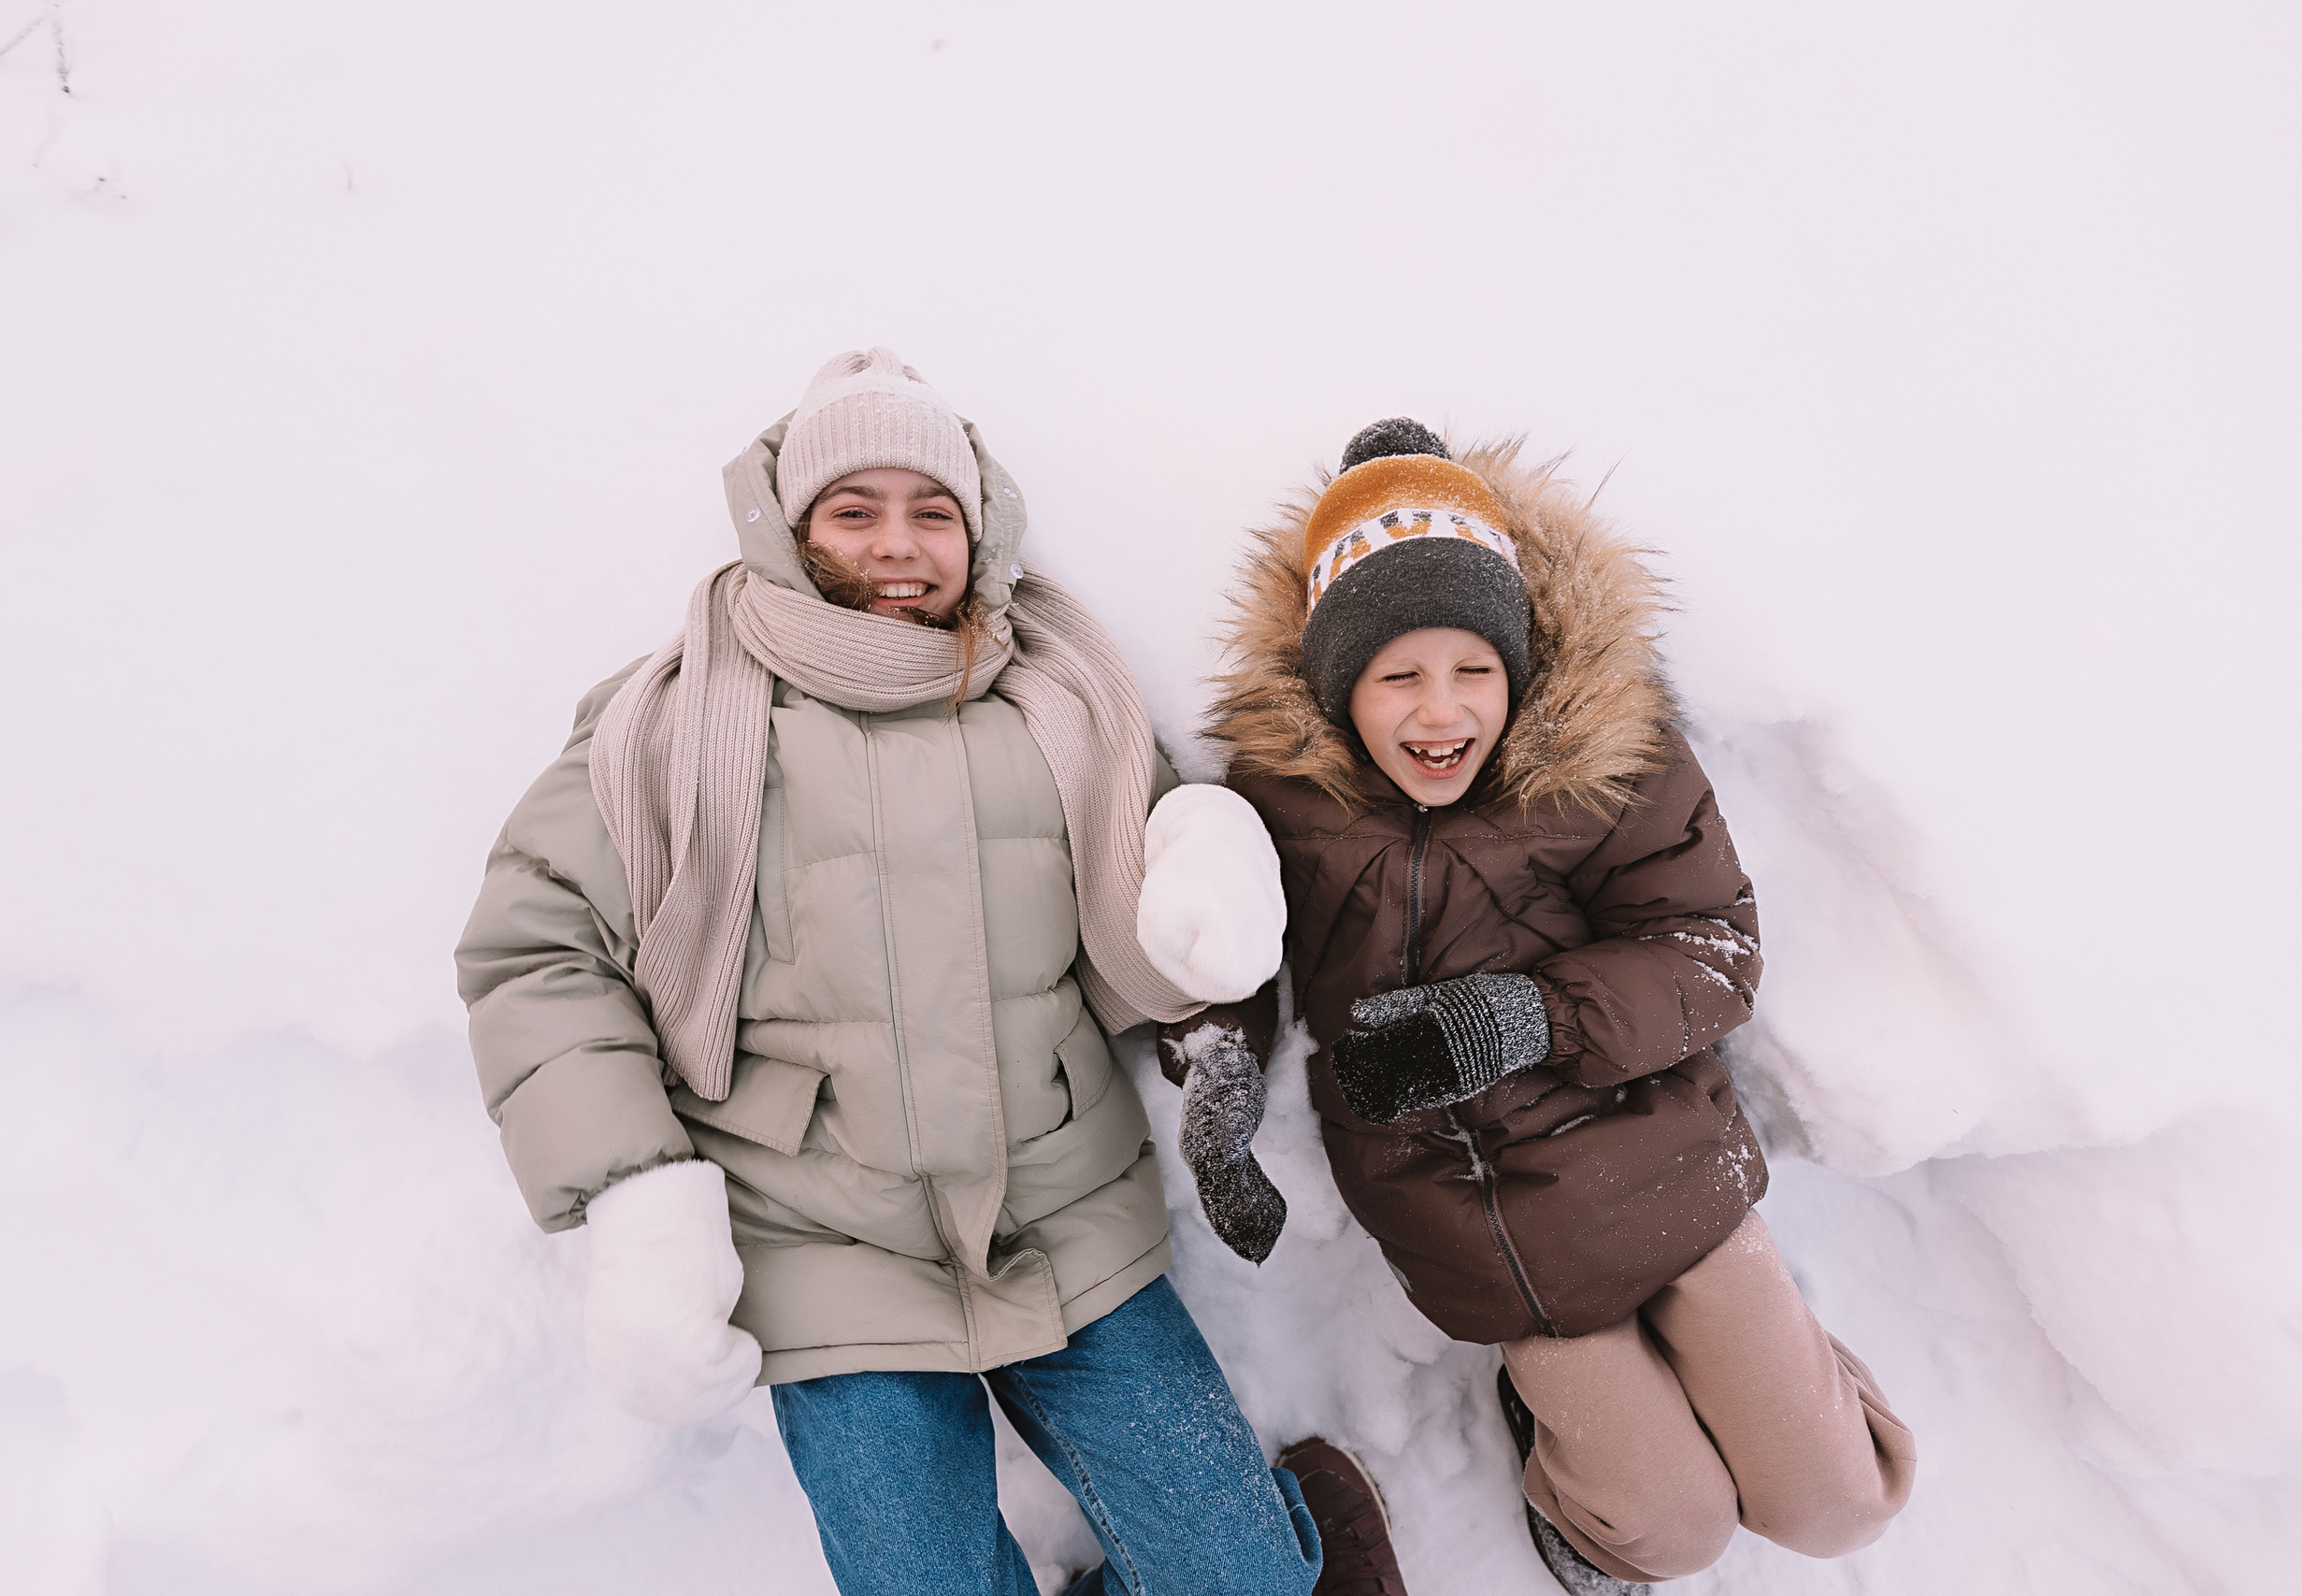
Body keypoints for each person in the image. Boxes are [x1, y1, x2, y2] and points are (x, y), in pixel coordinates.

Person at [455, 349, 1319, 1596]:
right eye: (854, 511)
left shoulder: (1059, 696)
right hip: (822, 1242)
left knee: (1244, 1582)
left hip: (1064, 1209)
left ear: (981, 531)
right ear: (789, 529)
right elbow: (536, 947)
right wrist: (640, 1202)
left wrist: (1209, 863)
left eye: (933, 512)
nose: (899, 546)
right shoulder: (678, 719)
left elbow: (1161, 855)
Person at [1159, 419, 1917, 1593]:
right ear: (1336, 685)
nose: (1440, 713)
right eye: (1396, 677)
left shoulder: (1610, 763)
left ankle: (1765, 1381)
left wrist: (1527, 1017)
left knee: (1839, 1504)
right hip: (1472, 1216)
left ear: (1517, 663)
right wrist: (1218, 1063)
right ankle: (1565, 1436)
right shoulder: (1286, 797)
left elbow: (1710, 949)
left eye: (1474, 670)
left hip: (1659, 1165)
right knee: (1670, 1534)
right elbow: (1232, 951)